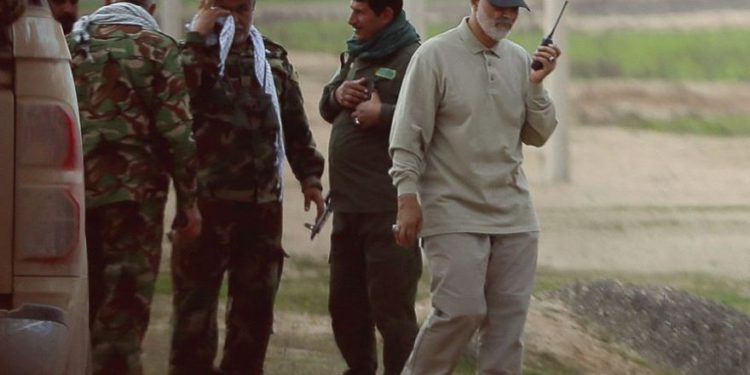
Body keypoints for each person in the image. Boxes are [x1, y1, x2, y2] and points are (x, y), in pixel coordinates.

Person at [388, 0, 562, 373]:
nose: (505, 14)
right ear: (473, 2)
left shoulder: (519, 60)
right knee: (460, 311)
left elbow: (540, 134)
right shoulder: (433, 55)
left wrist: (536, 85)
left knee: (507, 329)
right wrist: (407, 197)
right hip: (452, 211)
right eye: (497, 5)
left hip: (514, 216)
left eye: (513, 8)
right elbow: (407, 135)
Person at [169, 0, 326, 373]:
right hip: (206, 207)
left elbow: (293, 123)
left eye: (243, 9)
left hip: (261, 208)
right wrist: (197, 38)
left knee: (254, 317)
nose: (235, 20)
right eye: (225, 9)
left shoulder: (270, 59)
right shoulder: (189, 55)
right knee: (195, 316)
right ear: (206, 6)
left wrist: (310, 177)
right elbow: (177, 103)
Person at [67, 0, 201, 373]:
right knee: (123, 306)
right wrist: (188, 203)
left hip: (73, 197)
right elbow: (177, 133)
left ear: (108, 2)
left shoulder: (72, 44)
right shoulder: (159, 48)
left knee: (79, 299)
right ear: (153, 6)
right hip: (134, 201)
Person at [318, 0, 422, 374]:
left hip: (388, 210)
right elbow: (326, 107)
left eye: (360, 12)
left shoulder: (415, 59)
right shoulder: (357, 53)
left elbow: (434, 120)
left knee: (391, 312)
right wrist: (337, 95)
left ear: (386, 15)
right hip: (348, 209)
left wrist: (383, 115)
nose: (352, 19)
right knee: (344, 306)